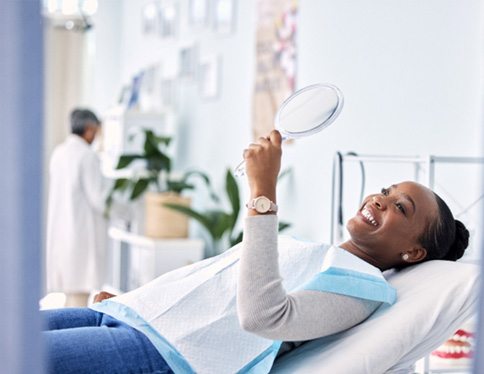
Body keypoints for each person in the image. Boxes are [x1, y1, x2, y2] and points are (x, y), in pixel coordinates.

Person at [41, 130, 469, 373]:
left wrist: (263, 193)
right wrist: (138, 301)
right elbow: (215, 281)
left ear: (413, 253)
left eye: (400, 207)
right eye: (385, 191)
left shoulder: (363, 290)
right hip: (130, 316)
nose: (379, 199)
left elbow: (263, 317)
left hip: (164, 356)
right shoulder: (314, 249)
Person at [46, 108, 107, 307]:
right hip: (80, 235)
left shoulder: (59, 152)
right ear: (89, 129)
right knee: (79, 300)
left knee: (71, 297)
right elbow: (99, 198)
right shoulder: (87, 156)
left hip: (62, 232)